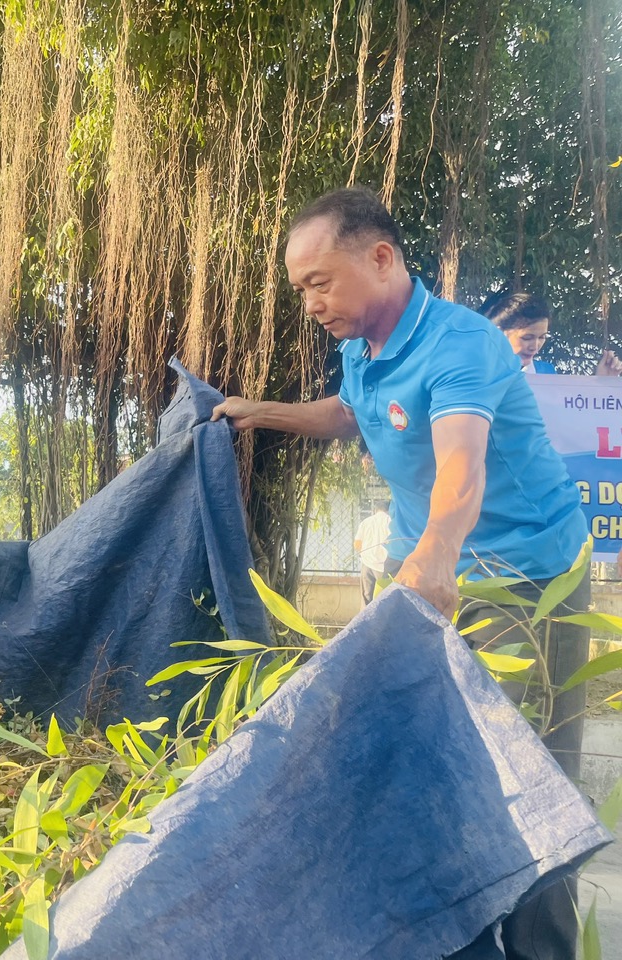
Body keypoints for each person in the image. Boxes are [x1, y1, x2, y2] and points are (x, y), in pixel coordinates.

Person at [212, 186, 590, 960]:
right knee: (432, 766)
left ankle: (543, 951)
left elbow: (460, 462)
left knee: (531, 781)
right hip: (424, 579)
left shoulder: (460, 346)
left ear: (381, 258)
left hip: (521, 582)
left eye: (319, 281)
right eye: (299, 289)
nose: (310, 302)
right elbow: (353, 412)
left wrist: (434, 558)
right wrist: (261, 412)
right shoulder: (362, 349)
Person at [481, 289, 622, 376]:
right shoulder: (475, 372)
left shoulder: (546, 373)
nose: (535, 346)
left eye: (542, 337)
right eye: (527, 337)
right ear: (500, 334)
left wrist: (603, 382)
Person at [352, 500, 390, 605]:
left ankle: (365, 619)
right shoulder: (390, 522)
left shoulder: (366, 522)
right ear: (389, 510)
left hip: (367, 564)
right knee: (384, 598)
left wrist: (364, 553)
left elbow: (357, 544)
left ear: (375, 510)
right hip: (383, 566)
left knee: (366, 597)